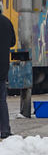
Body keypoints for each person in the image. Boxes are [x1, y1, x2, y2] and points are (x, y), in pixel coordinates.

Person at [0, 11, 15, 139]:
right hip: (3, 65)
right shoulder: (7, 22)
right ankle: (5, 129)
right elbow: (13, 42)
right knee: (1, 100)